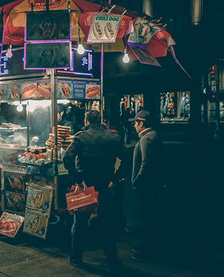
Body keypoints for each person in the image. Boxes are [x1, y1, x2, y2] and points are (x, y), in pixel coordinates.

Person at [63, 110, 129, 270]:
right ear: (101, 121)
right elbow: (127, 158)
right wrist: (115, 177)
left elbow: (67, 158)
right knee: (108, 223)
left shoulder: (80, 137)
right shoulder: (113, 137)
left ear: (87, 121)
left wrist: (79, 178)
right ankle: (112, 258)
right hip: (105, 185)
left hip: (85, 186)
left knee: (80, 224)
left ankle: (76, 257)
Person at [128, 110, 164, 261]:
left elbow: (145, 163)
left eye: (135, 123)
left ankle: (149, 248)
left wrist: (137, 180)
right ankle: (149, 244)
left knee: (148, 215)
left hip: (147, 185)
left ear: (141, 124)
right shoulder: (154, 135)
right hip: (154, 183)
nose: (134, 125)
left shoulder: (146, 139)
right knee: (150, 215)